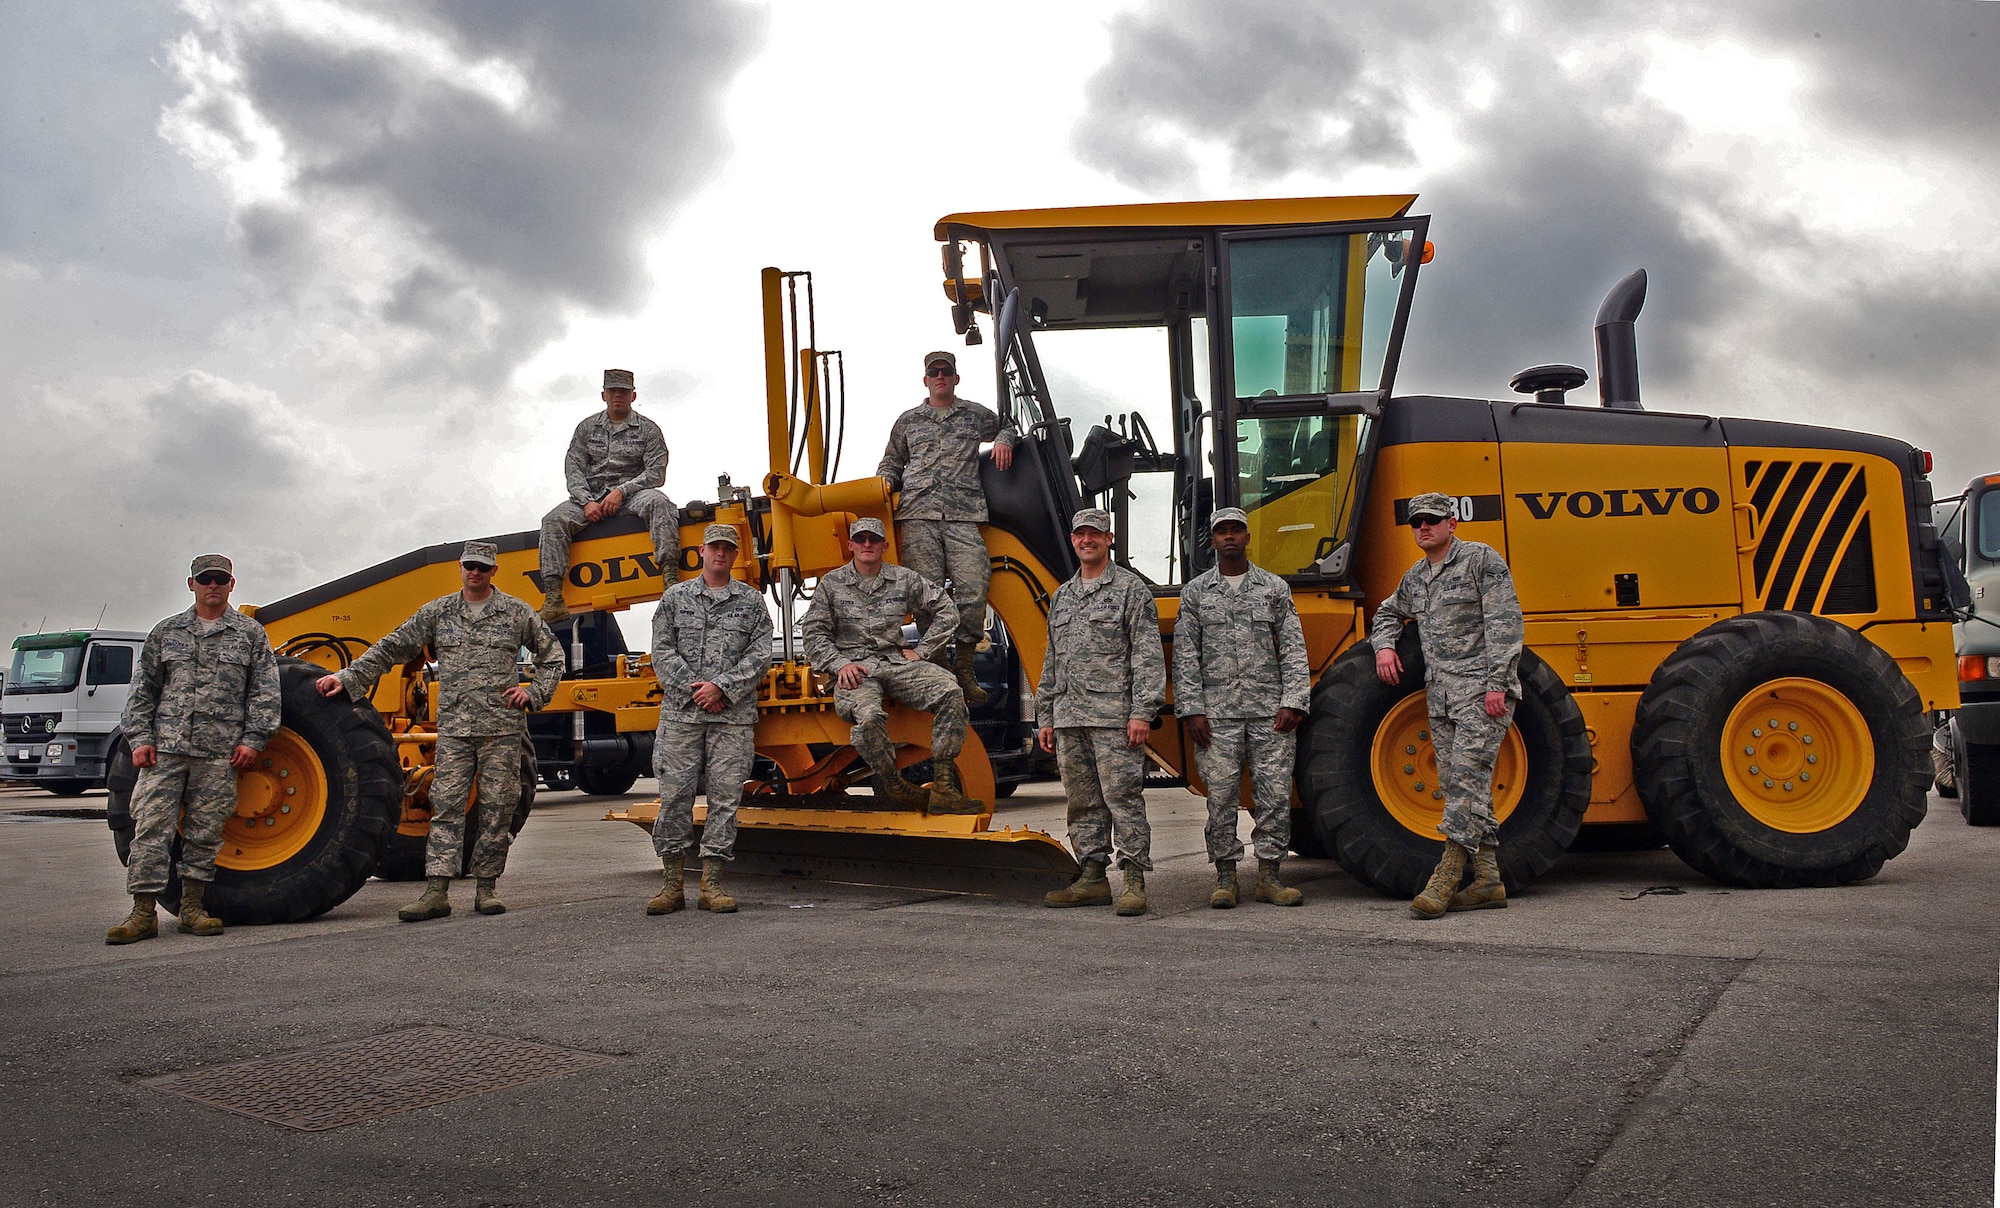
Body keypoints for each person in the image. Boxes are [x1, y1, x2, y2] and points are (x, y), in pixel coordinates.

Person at [317, 540, 565, 921]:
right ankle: (436, 891)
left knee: (497, 809)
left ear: (494, 571)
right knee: (446, 808)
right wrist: (348, 678)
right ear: (461, 567)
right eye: (470, 565)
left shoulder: (516, 613)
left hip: (501, 730)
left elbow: (553, 656)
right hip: (455, 731)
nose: (475, 572)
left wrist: (534, 693)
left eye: (483, 567)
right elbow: (392, 647)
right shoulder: (439, 612)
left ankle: (486, 889)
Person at [107, 554, 282, 944]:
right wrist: (140, 738)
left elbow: (265, 694)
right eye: (205, 579)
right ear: (192, 584)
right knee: (151, 829)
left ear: (232, 584)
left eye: (220, 579)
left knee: (204, 834)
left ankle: (192, 909)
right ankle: (142, 912)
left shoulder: (250, 635)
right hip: (165, 752)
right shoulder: (167, 633)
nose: (213, 586)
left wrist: (254, 740)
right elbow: (143, 691)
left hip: (219, 754)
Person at [1369, 492, 1524, 918]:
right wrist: (1384, 647)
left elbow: (1505, 624)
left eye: (1433, 520)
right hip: (1440, 698)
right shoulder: (1416, 577)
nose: (1424, 527)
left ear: (1451, 524)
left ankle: (1446, 877)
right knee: (1463, 784)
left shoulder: (1480, 560)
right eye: (1417, 521)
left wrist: (1498, 684)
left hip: (1481, 695)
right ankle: (1489, 880)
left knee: (1464, 785)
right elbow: (1386, 613)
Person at [1174, 508, 1310, 909]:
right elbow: (1185, 657)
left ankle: (1269, 875)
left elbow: (1293, 649)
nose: (1229, 537)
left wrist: (1293, 702)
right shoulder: (1196, 593)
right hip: (1217, 718)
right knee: (1220, 796)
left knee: (1274, 795)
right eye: (1222, 532)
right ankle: (1226, 876)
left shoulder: (1273, 589)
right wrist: (1192, 710)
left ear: (1247, 537)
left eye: (1236, 531)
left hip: (1271, 715)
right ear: (1212, 540)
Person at [799, 517, 981, 814]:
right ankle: (893, 782)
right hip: (854, 669)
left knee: (951, 691)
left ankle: (945, 785)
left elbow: (947, 611)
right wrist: (839, 664)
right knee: (869, 717)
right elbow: (814, 634)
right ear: (850, 546)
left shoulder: (904, 579)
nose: (867, 545)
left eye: (873, 540)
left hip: (896, 662)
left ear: (884, 546)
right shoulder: (831, 585)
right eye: (861, 540)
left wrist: (922, 651)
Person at [1037, 508, 1167, 916]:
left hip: (1114, 717)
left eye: (1095, 534)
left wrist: (1142, 711)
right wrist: (1046, 716)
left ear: (1110, 539)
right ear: (1073, 541)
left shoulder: (1131, 591)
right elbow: (1051, 661)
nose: (1087, 540)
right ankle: (1093, 877)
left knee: (1122, 798)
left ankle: (1133, 880)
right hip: (1070, 716)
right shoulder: (1062, 596)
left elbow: (1147, 656)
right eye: (1080, 535)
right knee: (1081, 802)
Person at [876, 349, 1016, 707]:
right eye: (934, 372)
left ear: (956, 377)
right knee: (925, 595)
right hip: (918, 517)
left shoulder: (973, 415)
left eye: (946, 371)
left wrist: (1003, 440)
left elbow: (1006, 423)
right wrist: (884, 484)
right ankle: (938, 667)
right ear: (925, 380)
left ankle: (965, 668)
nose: (940, 377)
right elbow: (891, 461)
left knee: (973, 588)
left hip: (963, 516)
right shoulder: (908, 421)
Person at [646, 523, 772, 916]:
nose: (721, 553)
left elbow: (761, 654)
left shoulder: (751, 603)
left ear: (736, 556)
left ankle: (711, 883)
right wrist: (696, 690)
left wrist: (721, 687)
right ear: (701, 551)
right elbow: (662, 651)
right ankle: (671, 884)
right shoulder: (674, 598)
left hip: (731, 719)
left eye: (728, 549)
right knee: (674, 797)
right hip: (682, 718)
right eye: (715, 547)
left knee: (724, 799)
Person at [539, 368, 679, 625]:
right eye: (613, 391)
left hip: (632, 495)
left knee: (660, 503)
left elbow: (656, 472)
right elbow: (574, 468)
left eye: (623, 392)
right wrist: (585, 501)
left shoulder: (648, 430)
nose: (618, 396)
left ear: (633, 396)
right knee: (552, 520)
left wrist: (622, 491)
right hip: (589, 498)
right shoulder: (586, 428)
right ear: (603, 395)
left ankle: (670, 580)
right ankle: (554, 599)